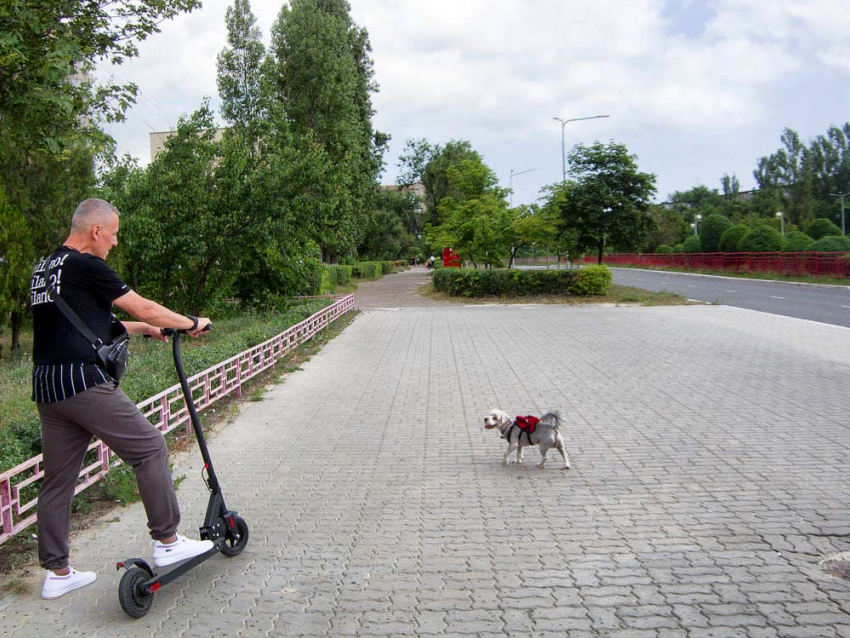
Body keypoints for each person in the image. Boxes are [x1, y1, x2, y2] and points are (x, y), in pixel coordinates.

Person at [31, 198, 215, 600]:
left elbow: (87, 324)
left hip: (49, 389)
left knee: (58, 481)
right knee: (149, 447)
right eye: (112, 235)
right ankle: (167, 542)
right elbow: (142, 304)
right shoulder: (86, 264)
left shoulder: (44, 269)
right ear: (96, 231)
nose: (113, 244)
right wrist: (191, 322)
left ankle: (57, 573)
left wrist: (146, 329)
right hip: (83, 384)